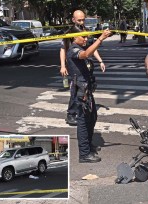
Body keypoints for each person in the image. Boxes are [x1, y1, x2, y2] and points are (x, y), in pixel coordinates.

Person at [66, 25, 111, 163]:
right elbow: (86, 55)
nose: (86, 39)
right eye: (83, 36)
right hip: (80, 91)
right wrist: (101, 39)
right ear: (74, 37)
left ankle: (88, 146)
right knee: (83, 122)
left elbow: (89, 53)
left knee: (91, 118)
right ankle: (84, 153)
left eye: (87, 36)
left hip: (86, 89)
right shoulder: (73, 50)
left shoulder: (80, 47)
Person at [60, 10, 106, 126]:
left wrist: (100, 61)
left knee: (86, 87)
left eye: (83, 19)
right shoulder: (71, 33)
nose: (81, 22)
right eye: (79, 20)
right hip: (75, 64)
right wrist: (63, 65)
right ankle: (71, 114)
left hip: (86, 64)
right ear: (73, 20)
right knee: (76, 89)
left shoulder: (86, 31)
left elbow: (91, 48)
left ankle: (84, 108)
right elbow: (63, 49)